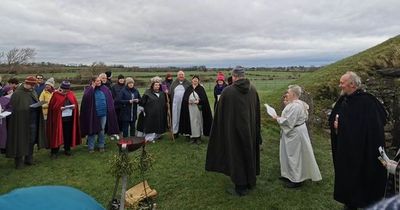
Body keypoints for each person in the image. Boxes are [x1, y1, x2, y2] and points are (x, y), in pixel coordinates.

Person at [329, 71, 387, 209]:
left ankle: (362, 201)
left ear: (352, 84)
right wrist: (335, 126)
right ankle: (349, 202)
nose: (340, 85)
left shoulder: (368, 102)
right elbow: (333, 118)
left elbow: (376, 124)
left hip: (364, 150)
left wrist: (343, 126)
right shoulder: (343, 100)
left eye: (342, 83)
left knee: (362, 177)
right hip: (347, 149)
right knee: (348, 178)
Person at [205, 66, 261, 196]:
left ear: (234, 76)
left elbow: (220, 115)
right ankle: (250, 181)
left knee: (237, 156)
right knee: (248, 153)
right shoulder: (253, 89)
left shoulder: (228, 91)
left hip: (233, 132)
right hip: (250, 130)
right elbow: (257, 113)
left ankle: (240, 187)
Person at [273, 85, 322, 188]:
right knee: (287, 154)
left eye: (288, 93)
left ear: (293, 94)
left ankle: (296, 179)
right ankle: (288, 175)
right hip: (294, 131)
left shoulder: (295, 106)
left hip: (295, 133)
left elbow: (288, 121)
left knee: (294, 156)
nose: (286, 94)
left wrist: (276, 118)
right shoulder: (297, 104)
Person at [7, 76, 46, 169]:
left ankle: (29, 159)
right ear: (26, 84)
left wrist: (38, 106)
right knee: (20, 140)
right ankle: (19, 162)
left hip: (33, 121)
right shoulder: (17, 94)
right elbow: (15, 109)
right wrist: (27, 109)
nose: (33, 87)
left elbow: (35, 101)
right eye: (31, 85)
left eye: (34, 86)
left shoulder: (32, 91)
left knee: (31, 140)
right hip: (21, 122)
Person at [80, 77, 119, 153]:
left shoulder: (104, 89)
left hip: (103, 113)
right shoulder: (89, 90)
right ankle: (91, 147)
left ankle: (101, 145)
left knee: (102, 130)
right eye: (97, 81)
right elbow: (86, 97)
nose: (99, 82)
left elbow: (109, 99)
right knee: (92, 130)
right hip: (93, 114)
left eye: (99, 81)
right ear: (93, 82)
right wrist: (92, 87)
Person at [47, 81, 81, 157]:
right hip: (58, 119)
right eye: (64, 90)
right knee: (56, 134)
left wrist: (73, 107)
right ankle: (54, 151)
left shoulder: (71, 94)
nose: (66, 91)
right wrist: (59, 109)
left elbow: (75, 103)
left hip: (69, 118)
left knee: (67, 134)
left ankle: (67, 149)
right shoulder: (56, 94)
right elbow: (52, 107)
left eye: (67, 90)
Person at [179, 75, 213, 144]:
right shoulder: (189, 88)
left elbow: (204, 99)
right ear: (192, 80)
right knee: (191, 122)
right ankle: (192, 137)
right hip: (190, 108)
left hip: (198, 109)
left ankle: (198, 137)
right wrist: (188, 101)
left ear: (198, 81)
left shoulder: (201, 88)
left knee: (198, 122)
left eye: (196, 79)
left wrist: (199, 101)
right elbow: (185, 98)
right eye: (194, 79)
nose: (195, 80)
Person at [137, 76, 167, 142]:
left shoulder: (162, 93)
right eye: (156, 85)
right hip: (150, 114)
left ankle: (157, 136)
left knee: (159, 123)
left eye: (158, 85)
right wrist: (142, 110)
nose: (157, 86)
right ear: (152, 85)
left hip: (160, 113)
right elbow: (142, 103)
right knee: (151, 125)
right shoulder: (147, 93)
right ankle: (149, 138)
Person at [169, 71, 191, 138]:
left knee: (185, 117)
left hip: (185, 104)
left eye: (182, 74)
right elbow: (170, 93)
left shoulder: (188, 83)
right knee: (175, 117)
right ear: (177, 76)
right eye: (179, 75)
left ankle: (186, 132)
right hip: (175, 104)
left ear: (184, 75)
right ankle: (175, 132)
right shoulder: (173, 84)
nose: (181, 76)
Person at [0, 85, 13, 153]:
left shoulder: (7, 98)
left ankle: (4, 147)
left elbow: (11, 108)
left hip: (6, 119)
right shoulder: (4, 98)